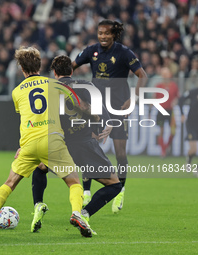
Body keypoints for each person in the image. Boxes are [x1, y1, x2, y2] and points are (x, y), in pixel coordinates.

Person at [0, 46, 93, 237]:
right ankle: (76, 213)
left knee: (10, 182)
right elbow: (80, 105)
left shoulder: (17, 92)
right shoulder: (55, 85)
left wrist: (22, 146)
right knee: (73, 182)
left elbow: (26, 117)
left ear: (22, 69)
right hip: (53, 140)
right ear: (40, 65)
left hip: (28, 145)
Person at [29, 55, 122, 233]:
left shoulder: (48, 88)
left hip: (58, 143)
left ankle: (38, 205)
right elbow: (100, 111)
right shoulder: (85, 85)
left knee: (40, 167)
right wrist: (107, 124)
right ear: (72, 71)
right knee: (114, 184)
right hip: (83, 142)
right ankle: (84, 213)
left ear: (54, 73)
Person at [72, 19, 148, 213]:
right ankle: (87, 191)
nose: (103, 36)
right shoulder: (91, 51)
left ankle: (120, 189)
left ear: (114, 35)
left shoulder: (124, 53)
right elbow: (71, 67)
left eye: (106, 33)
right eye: (100, 33)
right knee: (88, 146)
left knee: (120, 153)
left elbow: (143, 75)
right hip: (96, 108)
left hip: (117, 109)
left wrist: (134, 99)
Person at [155, 67, 179, 158]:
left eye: (166, 74)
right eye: (163, 74)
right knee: (161, 131)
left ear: (170, 75)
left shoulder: (174, 86)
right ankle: (163, 151)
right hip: (161, 110)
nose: (165, 76)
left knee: (173, 131)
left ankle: (166, 146)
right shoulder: (158, 86)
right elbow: (154, 98)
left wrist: (175, 101)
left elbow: (177, 97)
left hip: (170, 111)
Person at [178, 87, 198, 176]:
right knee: (193, 149)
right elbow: (181, 100)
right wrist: (182, 114)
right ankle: (189, 161)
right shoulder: (193, 92)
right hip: (191, 124)